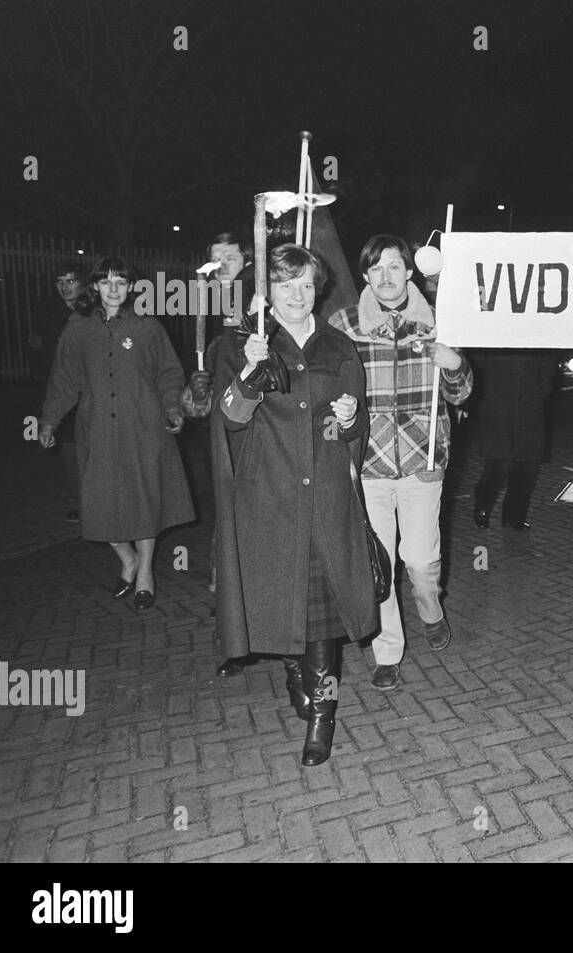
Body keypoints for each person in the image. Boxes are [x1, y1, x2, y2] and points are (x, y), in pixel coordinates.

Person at [212, 243, 377, 766]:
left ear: (318, 287)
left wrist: (351, 417)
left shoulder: (338, 346)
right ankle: (291, 667)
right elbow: (230, 420)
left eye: (307, 285)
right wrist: (248, 376)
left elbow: (356, 430)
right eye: (287, 286)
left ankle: (322, 723)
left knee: (324, 621)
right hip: (271, 498)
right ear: (269, 291)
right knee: (282, 602)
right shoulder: (247, 344)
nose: (298, 296)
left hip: (326, 495)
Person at [327, 235, 472, 692]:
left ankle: (431, 608)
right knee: (381, 563)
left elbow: (462, 393)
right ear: (365, 275)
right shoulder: (344, 324)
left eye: (394, 267)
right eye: (376, 269)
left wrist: (454, 366)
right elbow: (327, 387)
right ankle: (387, 651)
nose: (386, 278)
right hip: (367, 463)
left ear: (410, 271)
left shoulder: (439, 320)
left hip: (422, 459)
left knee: (421, 561)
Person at [39, 256, 194, 608]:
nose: (113, 288)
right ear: (94, 286)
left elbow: (169, 373)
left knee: (144, 498)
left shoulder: (146, 325)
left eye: (120, 282)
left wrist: (173, 407)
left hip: (143, 425)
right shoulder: (78, 327)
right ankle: (128, 560)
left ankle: (145, 575)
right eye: (106, 282)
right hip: (97, 428)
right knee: (98, 501)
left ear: (130, 287)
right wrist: (49, 420)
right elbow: (64, 379)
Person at [179, 231, 257, 678]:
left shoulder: (259, 306)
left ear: (246, 259)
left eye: (230, 255)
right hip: (223, 444)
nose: (223, 262)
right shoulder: (208, 316)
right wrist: (197, 389)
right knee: (228, 528)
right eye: (215, 257)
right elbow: (197, 407)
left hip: (261, 439)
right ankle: (234, 633)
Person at [29, 261, 87, 522]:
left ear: (83, 283)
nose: (65, 287)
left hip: (87, 391)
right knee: (67, 449)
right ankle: (78, 501)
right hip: (60, 388)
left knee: (91, 447)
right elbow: (38, 351)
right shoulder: (47, 313)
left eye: (71, 281)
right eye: (60, 282)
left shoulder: (92, 311)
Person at [471, 351, 555, 530]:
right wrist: (482, 394)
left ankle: (514, 517)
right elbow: (479, 361)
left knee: (526, 468)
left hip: (529, 404)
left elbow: (549, 359)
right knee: (498, 464)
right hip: (497, 403)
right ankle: (483, 506)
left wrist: (540, 388)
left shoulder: (538, 330)